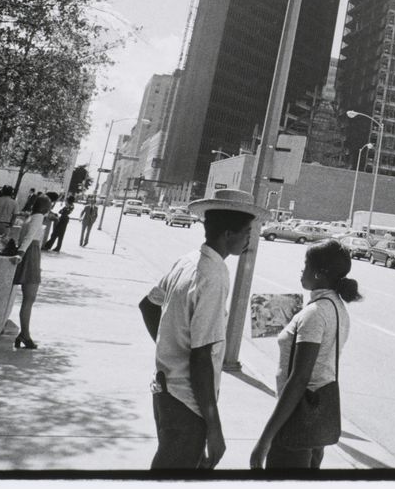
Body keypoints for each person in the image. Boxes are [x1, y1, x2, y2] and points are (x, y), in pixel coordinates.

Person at [139, 188, 264, 470]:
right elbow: (201, 356)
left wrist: (169, 348)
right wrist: (214, 427)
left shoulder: (187, 261)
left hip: (166, 389)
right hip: (187, 402)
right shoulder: (213, 275)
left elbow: (148, 305)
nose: (249, 237)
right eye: (246, 231)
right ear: (228, 234)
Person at [251, 238, 361, 470]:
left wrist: (265, 439)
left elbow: (300, 378)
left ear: (320, 273)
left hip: (295, 419)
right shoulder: (337, 307)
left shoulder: (315, 313)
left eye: (306, 264)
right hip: (314, 419)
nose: (302, 270)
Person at [11, 195, 51, 349]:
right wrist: (21, 253)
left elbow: (24, 236)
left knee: (28, 298)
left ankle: (25, 333)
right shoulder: (39, 217)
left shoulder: (30, 217)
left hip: (28, 252)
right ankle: (25, 334)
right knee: (29, 298)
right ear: (45, 206)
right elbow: (29, 237)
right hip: (31, 254)